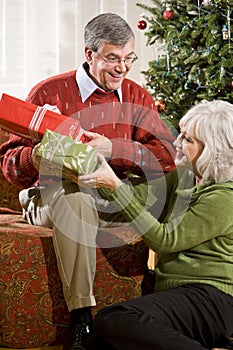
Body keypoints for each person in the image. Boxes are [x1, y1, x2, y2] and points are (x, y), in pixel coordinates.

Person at [0, 13, 176, 350]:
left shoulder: (137, 97)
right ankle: (83, 318)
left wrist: (116, 148)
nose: (122, 68)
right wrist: (36, 156)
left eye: (128, 58)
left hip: (111, 194)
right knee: (74, 197)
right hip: (50, 196)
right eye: (112, 58)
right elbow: (8, 165)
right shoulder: (48, 91)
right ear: (89, 54)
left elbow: (166, 156)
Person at [75, 100, 233, 350]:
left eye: (188, 140)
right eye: (180, 133)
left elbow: (165, 239)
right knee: (99, 341)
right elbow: (134, 197)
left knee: (114, 320)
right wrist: (95, 168)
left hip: (213, 299)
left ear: (213, 150)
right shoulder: (184, 177)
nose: (177, 143)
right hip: (180, 295)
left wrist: (114, 187)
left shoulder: (225, 197)